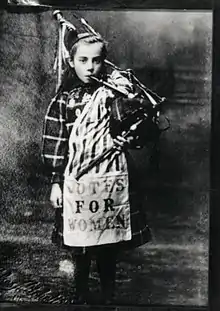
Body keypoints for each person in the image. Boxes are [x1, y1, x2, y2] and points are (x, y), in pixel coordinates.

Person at [41, 31, 152, 305]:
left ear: (105, 61)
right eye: (83, 60)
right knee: (80, 242)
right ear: (72, 61)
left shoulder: (117, 94)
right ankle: (80, 292)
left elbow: (138, 127)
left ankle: (107, 294)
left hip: (110, 175)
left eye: (97, 60)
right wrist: (56, 181)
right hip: (77, 178)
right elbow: (56, 141)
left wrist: (132, 135)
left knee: (108, 241)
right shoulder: (64, 100)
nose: (90, 67)